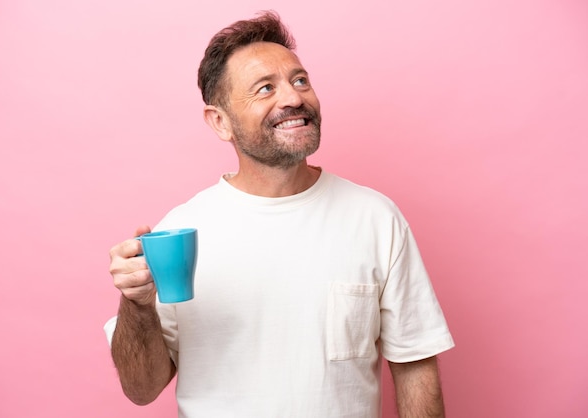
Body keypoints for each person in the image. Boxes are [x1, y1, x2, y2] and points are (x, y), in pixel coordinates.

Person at [105, 10, 454, 418]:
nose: (293, 98)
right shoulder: (182, 232)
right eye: (265, 88)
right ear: (221, 122)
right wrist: (137, 305)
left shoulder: (376, 219)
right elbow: (142, 389)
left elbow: (414, 363)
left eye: (300, 80)